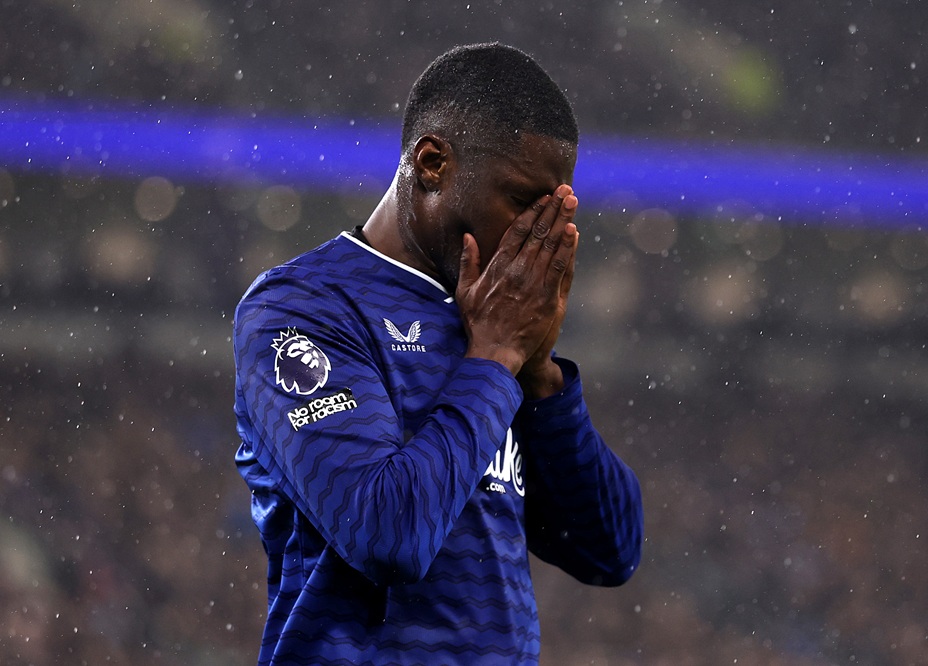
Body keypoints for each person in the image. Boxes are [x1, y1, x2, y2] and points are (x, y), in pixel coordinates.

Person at [233, 42, 643, 665]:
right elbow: (387, 534)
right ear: (432, 163)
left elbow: (611, 549)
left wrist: (540, 379)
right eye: (523, 202)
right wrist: (497, 358)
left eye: (553, 214)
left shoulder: (489, 324)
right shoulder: (303, 309)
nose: (537, 237)